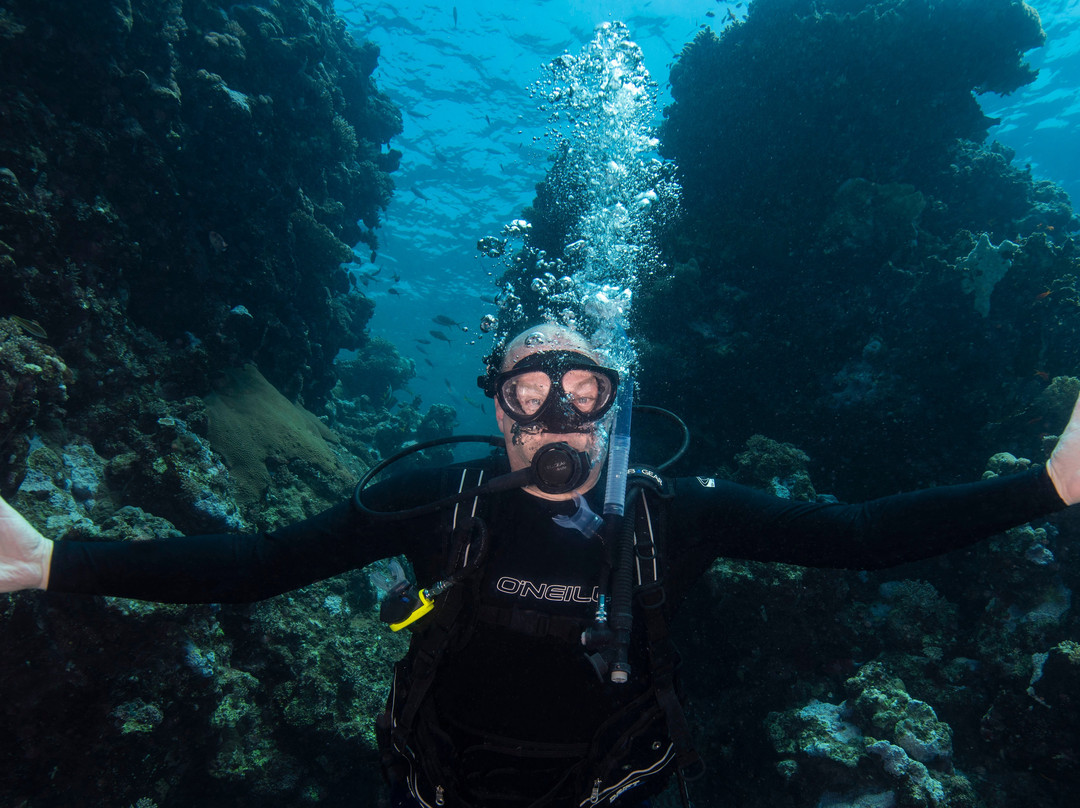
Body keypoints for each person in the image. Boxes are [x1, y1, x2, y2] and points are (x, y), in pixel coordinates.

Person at [4, 321, 1080, 808]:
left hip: (619, 789)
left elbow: (859, 536)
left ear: (616, 402)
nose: (556, 410)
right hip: (434, 788)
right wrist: (60, 561)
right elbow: (255, 563)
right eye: (527, 390)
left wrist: (1049, 487)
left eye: (582, 387)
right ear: (496, 406)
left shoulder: (674, 515)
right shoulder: (440, 498)